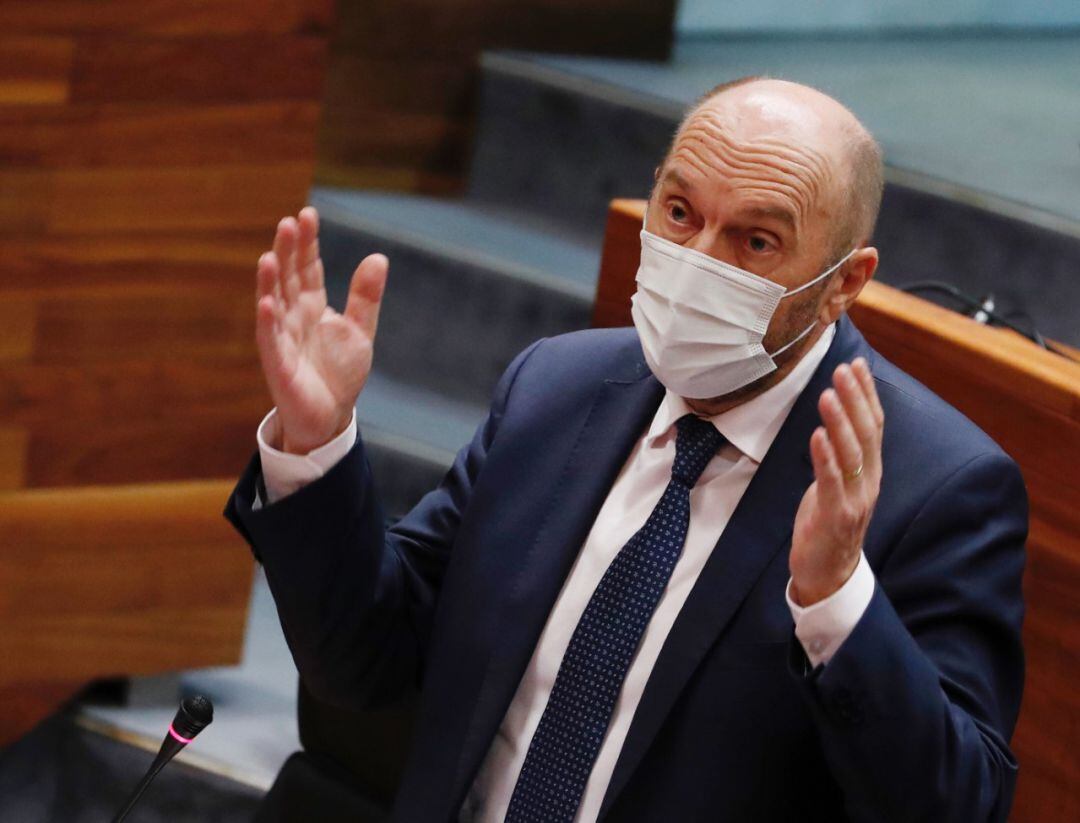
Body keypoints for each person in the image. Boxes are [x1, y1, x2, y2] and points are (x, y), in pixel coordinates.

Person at [225, 78, 1026, 822]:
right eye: (679, 212)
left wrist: (836, 599)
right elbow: (368, 662)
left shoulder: (937, 487)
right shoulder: (557, 388)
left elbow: (956, 804)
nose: (698, 261)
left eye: (755, 241)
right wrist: (316, 442)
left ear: (845, 282)